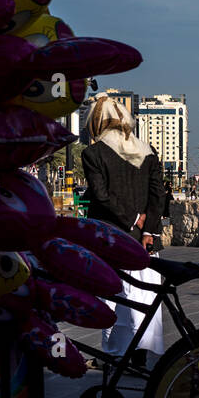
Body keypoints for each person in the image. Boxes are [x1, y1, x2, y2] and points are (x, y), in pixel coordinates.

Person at [81, 96, 166, 362]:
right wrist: (148, 230)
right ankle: (139, 356)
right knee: (143, 300)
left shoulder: (92, 154)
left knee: (110, 300)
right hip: (145, 243)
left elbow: (101, 195)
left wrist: (133, 221)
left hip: (109, 240)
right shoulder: (148, 150)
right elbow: (158, 196)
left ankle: (113, 357)